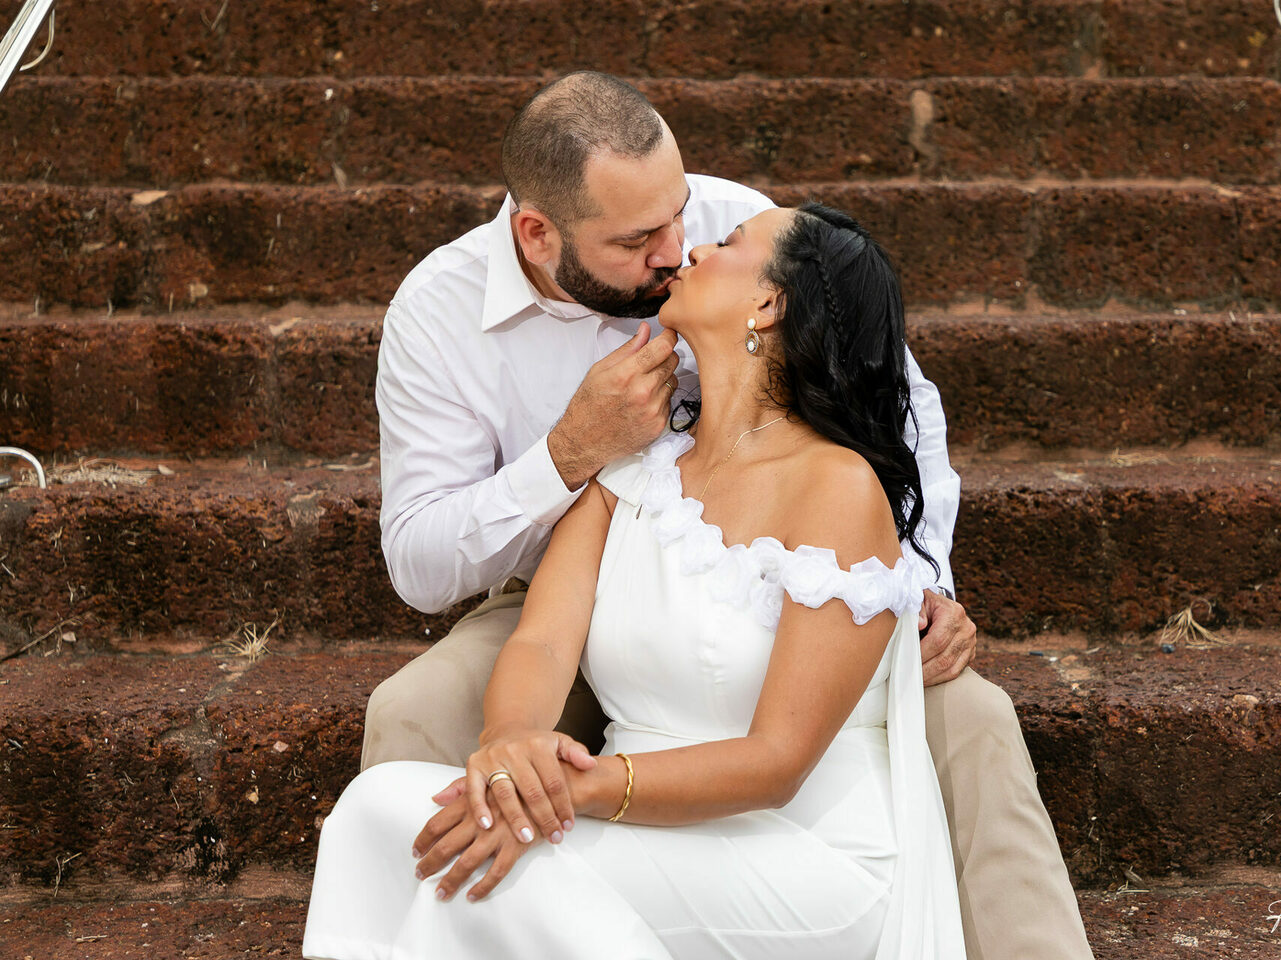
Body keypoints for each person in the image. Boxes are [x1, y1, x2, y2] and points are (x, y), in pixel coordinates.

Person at [355, 72, 1092, 959]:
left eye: (686, 218)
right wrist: (568, 453)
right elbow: (430, 573)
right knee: (408, 734)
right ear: (538, 233)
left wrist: (919, 578)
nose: (679, 248)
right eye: (640, 239)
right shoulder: (440, 315)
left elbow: (892, 400)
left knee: (971, 720)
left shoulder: (739, 236)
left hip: (788, 603)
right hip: (570, 587)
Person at [305, 201, 965, 959]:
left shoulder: (838, 487)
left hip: (797, 849)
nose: (691, 248)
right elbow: (546, 640)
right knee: (371, 812)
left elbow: (778, 762)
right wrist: (510, 747)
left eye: (729, 242)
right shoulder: (634, 466)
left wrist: (570, 791)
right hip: (628, 826)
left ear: (769, 302)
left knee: (492, 873)